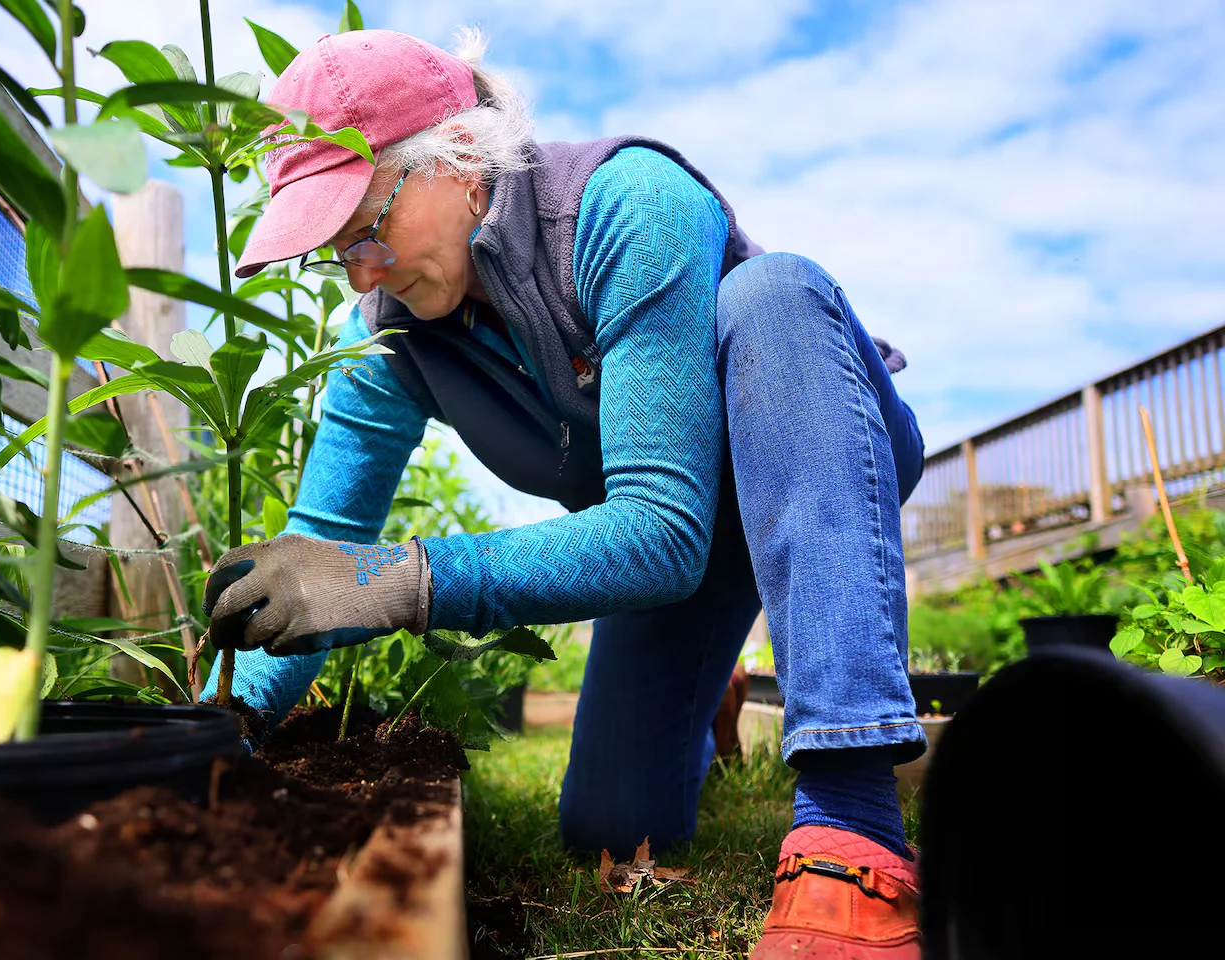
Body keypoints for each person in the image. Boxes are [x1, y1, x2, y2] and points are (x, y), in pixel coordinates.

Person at [203, 28, 927, 959]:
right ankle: (713, 689)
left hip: (816, 454)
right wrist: (219, 732)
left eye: (369, 228)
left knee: (771, 294)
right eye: (339, 252)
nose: (364, 273)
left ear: (460, 158)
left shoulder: (626, 207)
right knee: (608, 823)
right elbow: (322, 543)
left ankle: (852, 823)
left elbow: (657, 530)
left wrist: (394, 583)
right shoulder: (386, 336)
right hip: (692, 551)